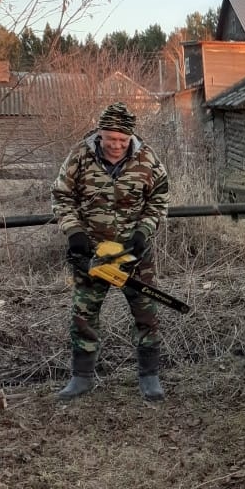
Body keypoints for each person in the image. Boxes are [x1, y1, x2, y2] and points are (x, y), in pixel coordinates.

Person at [51, 102, 170, 403]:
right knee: (84, 314)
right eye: (110, 138)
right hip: (91, 253)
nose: (116, 145)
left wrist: (144, 232)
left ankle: (149, 377)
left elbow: (159, 200)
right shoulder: (79, 156)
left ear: (131, 137)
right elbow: (61, 196)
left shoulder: (148, 159)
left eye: (122, 140)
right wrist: (73, 232)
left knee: (146, 313)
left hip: (134, 255)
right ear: (100, 133)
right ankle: (81, 378)